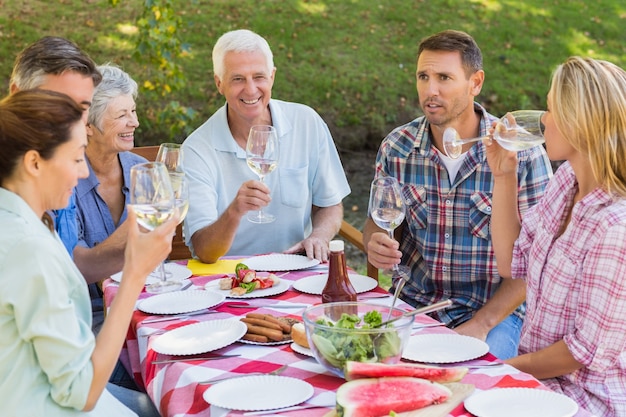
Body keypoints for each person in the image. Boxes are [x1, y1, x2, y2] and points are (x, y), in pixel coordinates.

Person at [363, 30, 552, 360]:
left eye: (444, 78)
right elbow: (376, 223)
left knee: (479, 382)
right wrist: (374, 242)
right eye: (423, 76)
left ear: (475, 82)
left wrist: (481, 324)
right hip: (414, 306)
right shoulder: (397, 147)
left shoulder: (520, 154)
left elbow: (538, 260)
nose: (430, 90)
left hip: (494, 312)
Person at [0, 90, 170, 416]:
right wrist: (134, 273)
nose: (82, 173)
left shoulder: (22, 222)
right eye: (77, 158)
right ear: (34, 163)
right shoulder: (27, 249)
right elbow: (82, 392)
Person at [486, 57, 626, 416]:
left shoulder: (615, 226)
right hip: (540, 385)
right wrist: (504, 177)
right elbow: (510, 262)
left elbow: (581, 353)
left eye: (551, 108)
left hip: (590, 401)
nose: (544, 119)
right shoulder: (566, 182)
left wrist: (497, 371)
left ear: (581, 123)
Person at [182, 29, 351, 263]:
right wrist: (234, 212)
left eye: (258, 77)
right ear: (219, 83)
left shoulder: (306, 122)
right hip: (230, 279)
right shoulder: (197, 149)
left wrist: (319, 237)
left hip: (297, 269)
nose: (251, 90)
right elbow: (204, 250)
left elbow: (330, 205)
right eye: (238, 79)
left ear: (272, 77)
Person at [10, 36, 102, 257]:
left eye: (82, 107)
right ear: (18, 95)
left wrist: (133, 249)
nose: (73, 120)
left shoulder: (61, 167)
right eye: (60, 103)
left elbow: (69, 266)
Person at [74, 64, 146, 287]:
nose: (134, 122)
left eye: (133, 111)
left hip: (146, 302)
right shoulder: (67, 182)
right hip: (90, 314)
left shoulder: (143, 171)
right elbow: (76, 270)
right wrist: (133, 230)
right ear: (88, 126)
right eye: (122, 115)